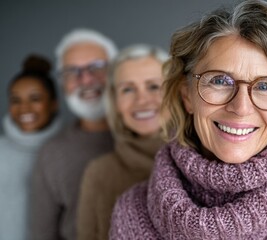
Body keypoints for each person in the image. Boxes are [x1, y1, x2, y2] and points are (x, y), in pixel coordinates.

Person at [109, 1, 267, 239]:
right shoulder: (131, 211)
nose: (241, 107)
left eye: (266, 86)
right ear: (187, 94)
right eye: (220, 81)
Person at [30, 28, 117, 240]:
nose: (86, 79)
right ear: (63, 84)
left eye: (97, 67)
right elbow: (42, 234)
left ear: (117, 71)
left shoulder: (153, 138)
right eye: (72, 71)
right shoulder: (52, 153)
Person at [76, 44, 169, 240]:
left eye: (153, 86)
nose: (142, 100)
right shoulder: (99, 173)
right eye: (127, 89)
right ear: (114, 101)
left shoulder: (207, 159)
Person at [0, 54, 61, 240]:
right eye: (16, 100)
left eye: (34, 98)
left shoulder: (66, 152)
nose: (24, 108)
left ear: (53, 104)